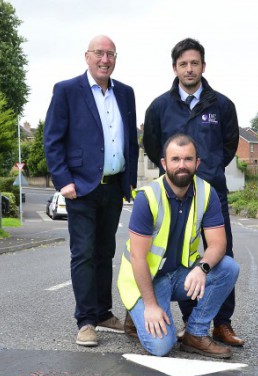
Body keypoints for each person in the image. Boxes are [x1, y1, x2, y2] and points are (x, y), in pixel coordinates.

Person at [142, 38, 243, 347]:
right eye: (183, 63)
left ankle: (222, 324)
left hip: (212, 194)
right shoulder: (159, 106)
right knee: (180, 256)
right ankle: (190, 322)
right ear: (175, 67)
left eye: (194, 63)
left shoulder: (222, 105)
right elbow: (151, 145)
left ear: (203, 66)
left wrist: (207, 171)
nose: (189, 68)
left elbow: (227, 147)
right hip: (174, 195)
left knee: (221, 254)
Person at [44, 35, 138, 347]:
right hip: (80, 189)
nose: (105, 60)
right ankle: (85, 320)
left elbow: (130, 143)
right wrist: (63, 180)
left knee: (105, 251)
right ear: (87, 56)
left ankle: (101, 311)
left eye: (111, 54)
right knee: (83, 253)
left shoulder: (125, 93)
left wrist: (129, 183)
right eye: (99, 53)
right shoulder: (67, 90)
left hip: (112, 188)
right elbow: (53, 140)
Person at [118, 134, 240, 358]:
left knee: (228, 268)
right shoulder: (148, 197)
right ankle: (136, 309)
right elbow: (138, 257)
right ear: (164, 164)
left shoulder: (206, 192)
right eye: (175, 159)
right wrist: (151, 306)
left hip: (179, 274)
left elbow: (218, 243)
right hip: (146, 278)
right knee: (162, 346)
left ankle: (195, 334)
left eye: (187, 159)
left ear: (197, 163)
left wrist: (202, 268)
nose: (182, 165)